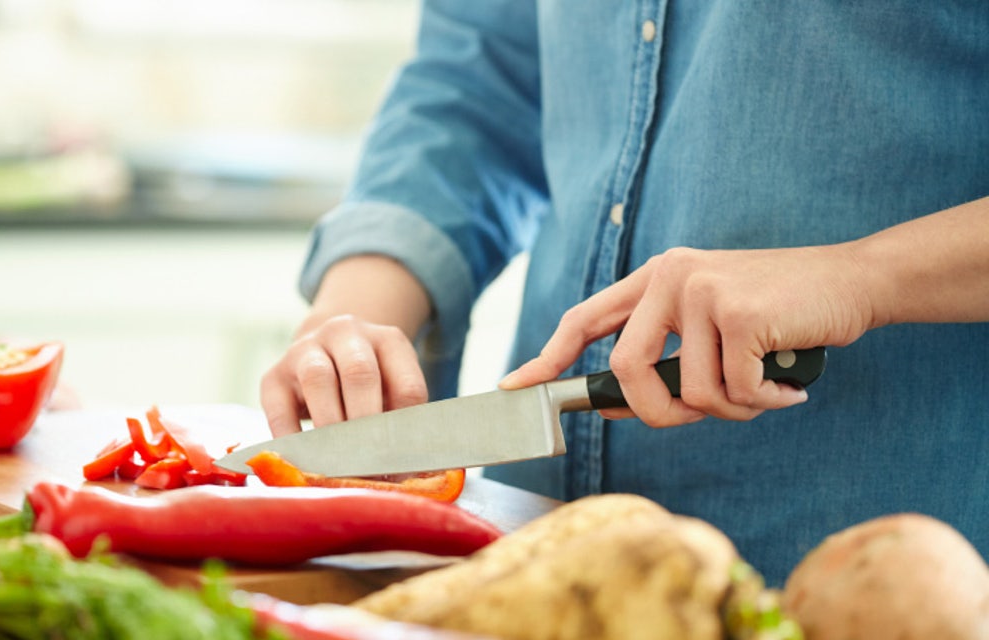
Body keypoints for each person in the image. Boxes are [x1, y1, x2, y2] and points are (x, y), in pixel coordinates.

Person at [260, 1, 989, 586]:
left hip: (870, 589)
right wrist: (356, 314)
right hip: (527, 560)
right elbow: (477, 88)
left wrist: (861, 277)